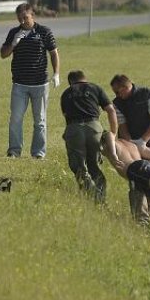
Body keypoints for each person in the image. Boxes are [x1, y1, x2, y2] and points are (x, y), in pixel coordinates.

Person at [0, 3, 60, 158]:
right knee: (15, 119)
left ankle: (38, 153)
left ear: (32, 15)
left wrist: (56, 73)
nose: (22, 21)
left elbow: (54, 53)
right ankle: (14, 151)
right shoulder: (14, 32)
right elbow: (3, 54)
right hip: (19, 84)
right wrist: (14, 43)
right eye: (19, 18)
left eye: (25, 18)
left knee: (39, 120)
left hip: (40, 84)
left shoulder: (44, 32)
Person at [110, 74, 150, 224]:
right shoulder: (117, 103)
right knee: (136, 182)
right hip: (131, 147)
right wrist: (131, 145)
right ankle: (140, 221)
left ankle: (149, 218)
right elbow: (123, 126)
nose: (116, 96)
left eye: (118, 92)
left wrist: (143, 141)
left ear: (126, 87)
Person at [60, 70, 118, 202]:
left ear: (71, 82)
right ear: (84, 79)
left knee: (79, 167)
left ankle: (92, 194)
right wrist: (113, 133)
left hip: (74, 128)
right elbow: (110, 110)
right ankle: (100, 199)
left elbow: (65, 116)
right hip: (94, 128)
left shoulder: (66, 93)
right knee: (95, 166)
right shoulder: (95, 88)